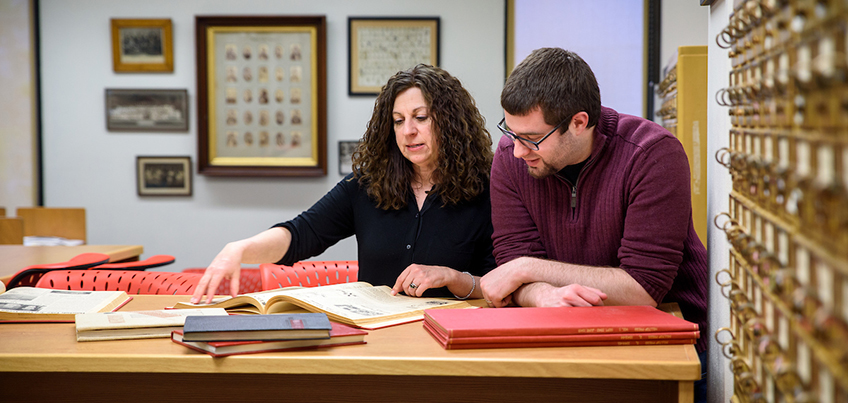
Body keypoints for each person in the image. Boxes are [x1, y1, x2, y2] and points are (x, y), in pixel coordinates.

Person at [479, 48, 708, 401]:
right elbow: (512, 266)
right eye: (511, 132)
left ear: (579, 122)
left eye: (531, 138)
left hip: (667, 347)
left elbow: (643, 290)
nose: (517, 150)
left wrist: (528, 269)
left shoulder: (652, 154)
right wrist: (542, 294)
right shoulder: (511, 158)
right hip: (561, 341)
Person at [192, 64, 495, 305]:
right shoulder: (366, 184)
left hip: (450, 339)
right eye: (398, 120)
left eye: (421, 117)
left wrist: (453, 277)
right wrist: (239, 249)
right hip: (377, 339)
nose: (408, 131)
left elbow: (501, 285)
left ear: (451, 123)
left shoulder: (487, 190)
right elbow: (301, 234)